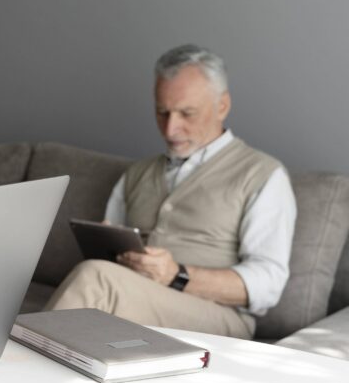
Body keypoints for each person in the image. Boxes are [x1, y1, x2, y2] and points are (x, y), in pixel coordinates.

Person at [45, 44, 297, 339]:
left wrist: (177, 275)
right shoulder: (137, 173)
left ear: (222, 106)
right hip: (135, 296)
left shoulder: (262, 174)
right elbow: (110, 256)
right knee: (99, 276)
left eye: (186, 113)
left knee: (96, 278)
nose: (170, 129)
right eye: (162, 112)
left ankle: (15, 372)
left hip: (218, 316)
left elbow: (268, 283)